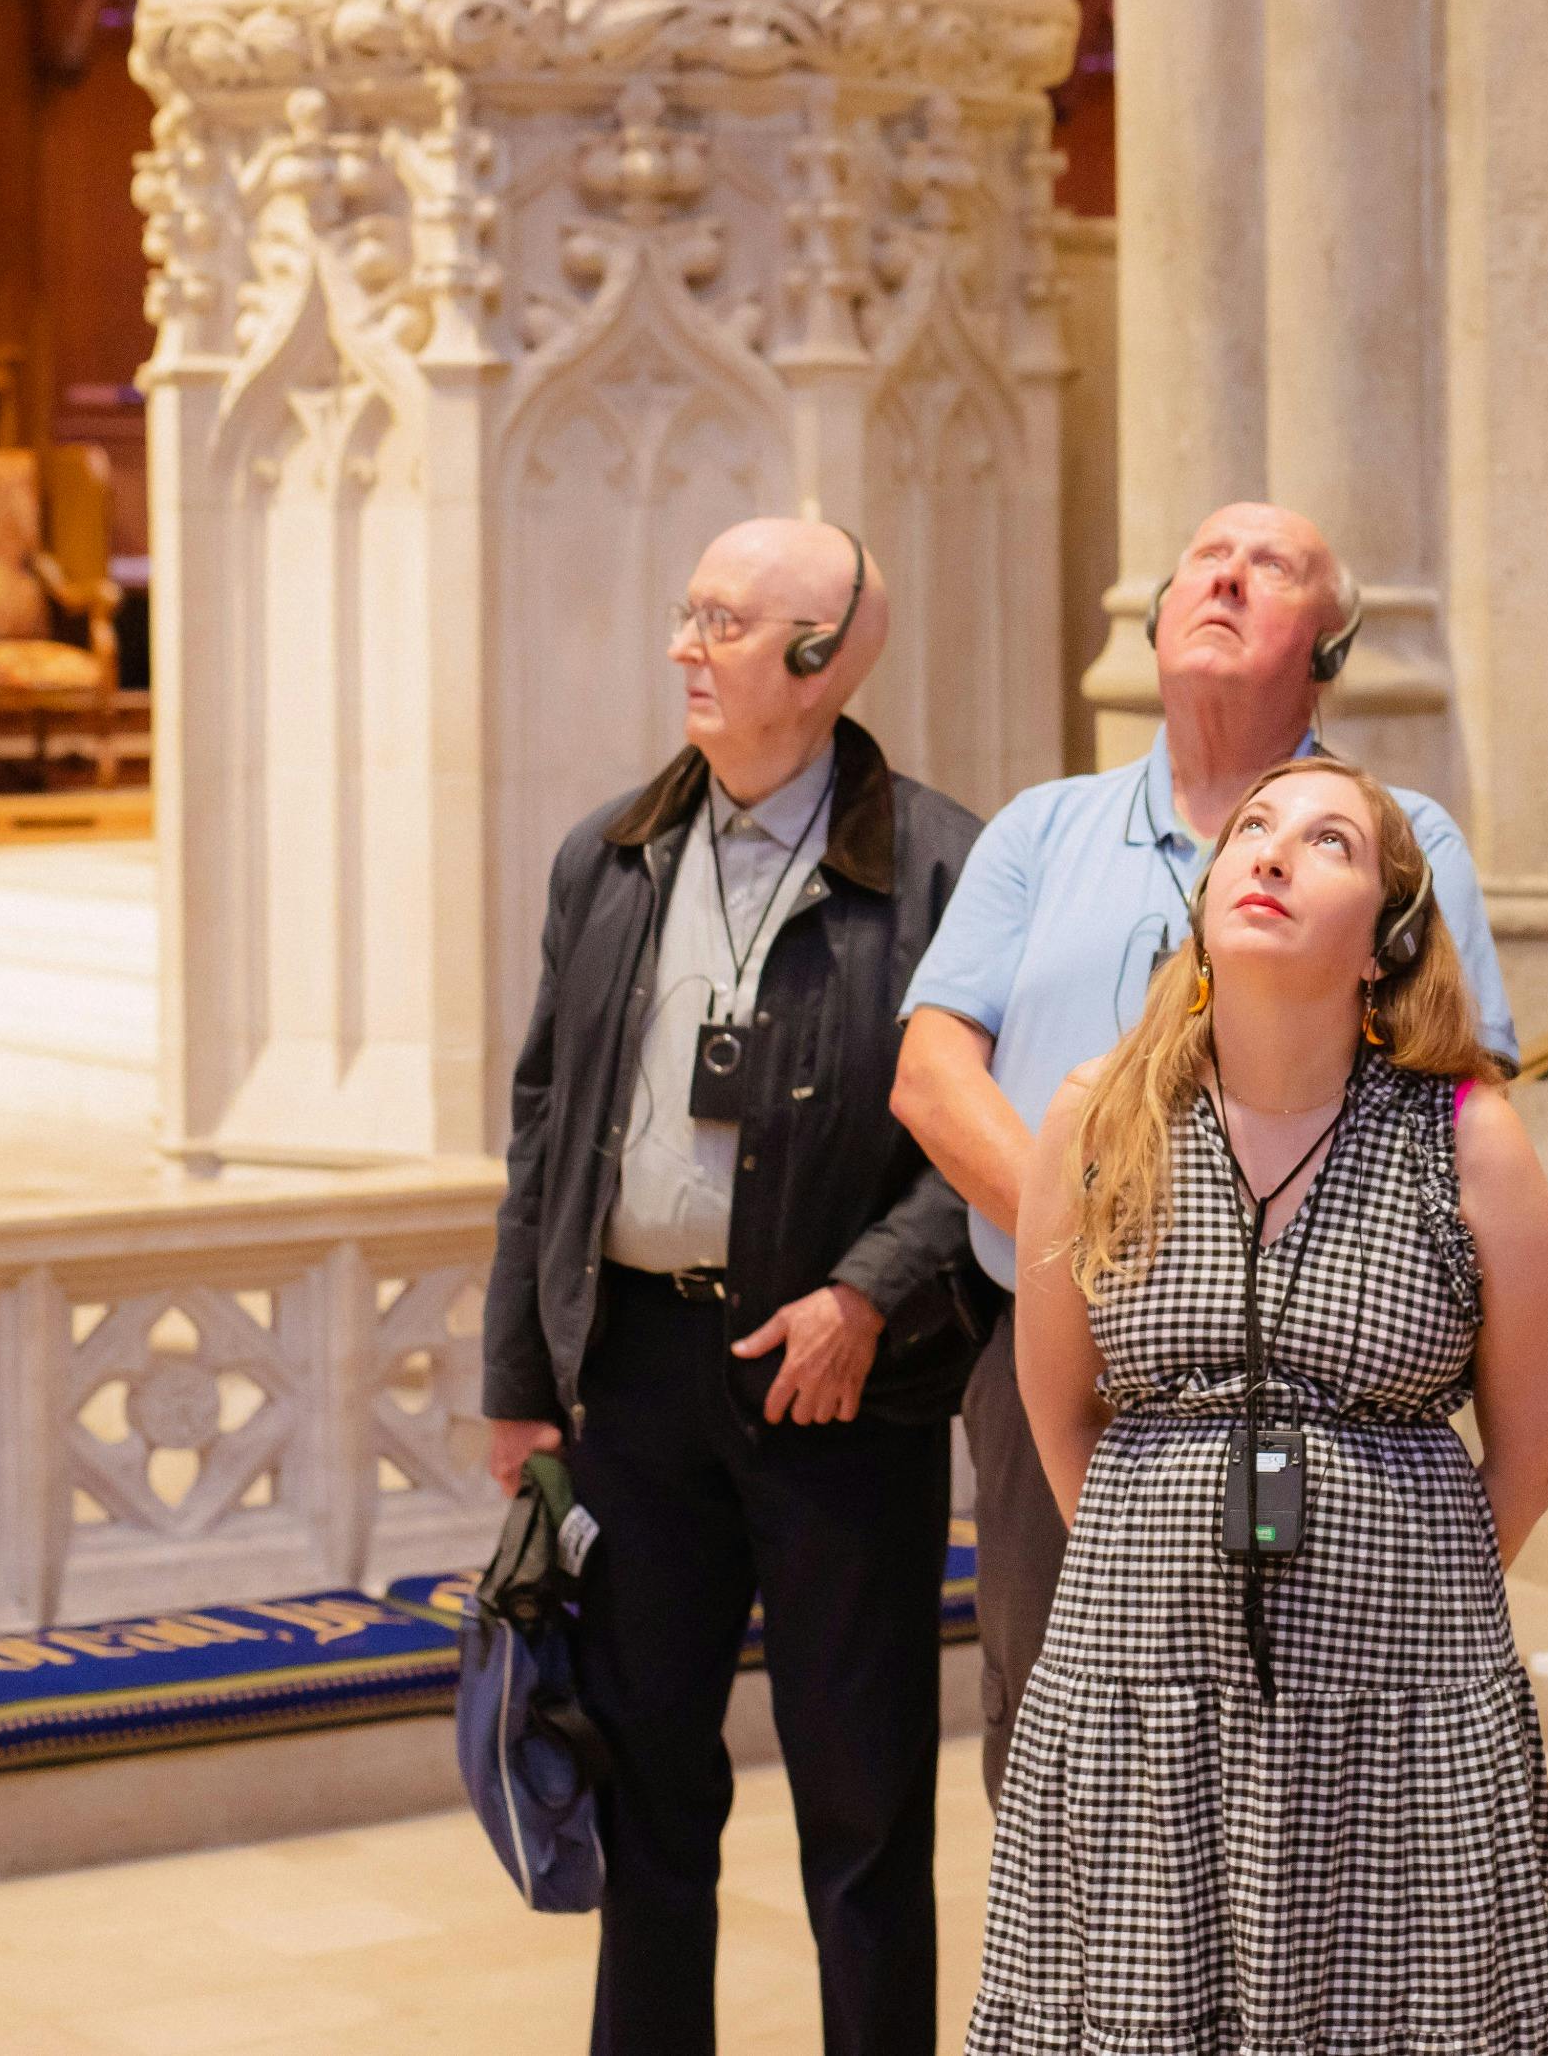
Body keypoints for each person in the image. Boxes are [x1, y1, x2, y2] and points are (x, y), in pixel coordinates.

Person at [889, 502, 1517, 1800]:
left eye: (1271, 565)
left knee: (1307, 1755)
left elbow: (1458, 1086)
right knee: (1072, 1743)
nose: (1223, 575)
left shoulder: (1405, 839)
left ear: (1329, 648)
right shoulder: (1040, 826)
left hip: (1311, 1375)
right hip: (1047, 1372)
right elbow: (932, 1075)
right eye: (1201, 564)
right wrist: (1104, 1274)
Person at [966, 753, 1548, 2055]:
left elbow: (1537, 1443)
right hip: (1139, 1696)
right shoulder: (1099, 1113)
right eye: (1252, 827)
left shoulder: (1466, 1131)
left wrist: (1393, 1581)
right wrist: (1161, 1562)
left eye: (1327, 842)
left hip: (1400, 1710)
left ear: (1387, 942)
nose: (1271, 852)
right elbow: (1060, 1407)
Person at [481, 518, 985, 2056]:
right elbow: (548, 1120)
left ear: (821, 659)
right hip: (636, 1374)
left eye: (722, 620)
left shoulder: (950, 864)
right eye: (687, 610)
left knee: (862, 1804)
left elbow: (990, 1135)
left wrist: (868, 1297)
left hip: (840, 1386)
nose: (684, 646)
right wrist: (521, 1377)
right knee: (649, 1794)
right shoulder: (610, 852)